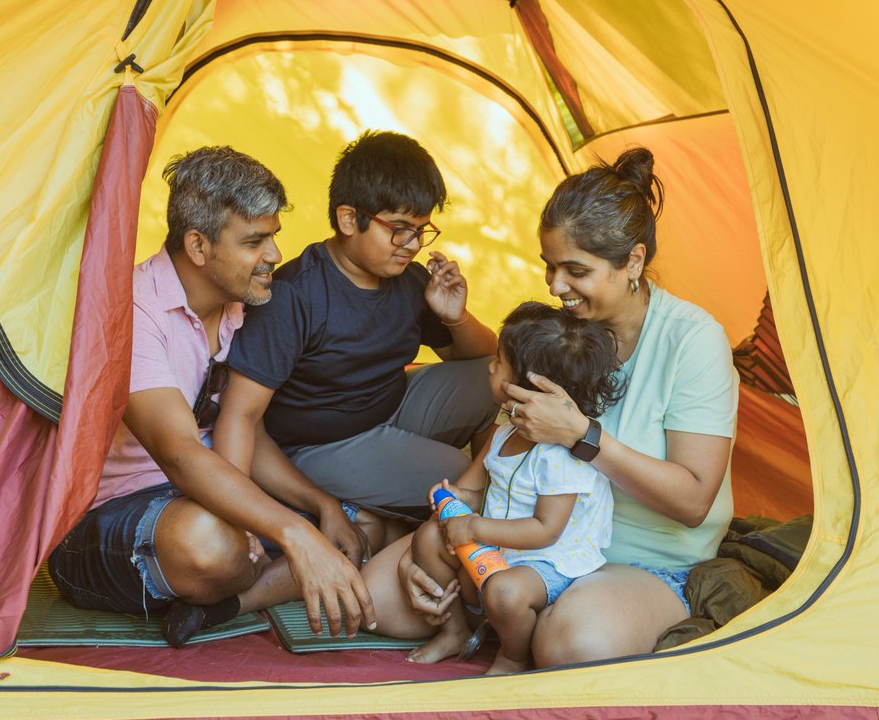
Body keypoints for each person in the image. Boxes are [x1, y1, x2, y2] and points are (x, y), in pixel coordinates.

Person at [362, 147, 738, 666]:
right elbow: (501, 453)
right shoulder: (561, 334)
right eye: (550, 266)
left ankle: (527, 620)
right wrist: (438, 543)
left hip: (639, 559)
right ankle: (504, 612)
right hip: (521, 542)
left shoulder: (693, 341)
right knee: (374, 604)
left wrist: (581, 435)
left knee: (573, 645)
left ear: (633, 261)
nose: (556, 286)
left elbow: (694, 501)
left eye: (575, 271)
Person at [47, 146, 378, 648]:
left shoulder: (236, 307)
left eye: (273, 238)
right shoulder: (132, 311)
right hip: (113, 521)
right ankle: (248, 575)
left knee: (362, 529)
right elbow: (181, 454)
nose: (274, 256)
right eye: (254, 242)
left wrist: (321, 507)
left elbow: (247, 429)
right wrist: (293, 533)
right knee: (212, 544)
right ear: (198, 247)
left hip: (204, 496)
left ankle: (225, 603)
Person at [216, 130, 500, 520]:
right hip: (320, 448)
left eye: (421, 230)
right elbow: (240, 414)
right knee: (464, 481)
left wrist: (456, 318)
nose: (413, 244)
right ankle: (470, 520)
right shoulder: (294, 295)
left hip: (392, 407)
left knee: (498, 378)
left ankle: (456, 500)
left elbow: (489, 356)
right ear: (349, 219)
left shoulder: (411, 281)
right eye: (399, 228)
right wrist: (237, 516)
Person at [405, 301, 624, 674]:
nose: (490, 366)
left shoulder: (561, 456)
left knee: (505, 592)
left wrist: (472, 527)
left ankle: (513, 656)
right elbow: (474, 489)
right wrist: (455, 499)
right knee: (426, 538)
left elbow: (545, 530)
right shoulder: (506, 430)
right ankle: (454, 630)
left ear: (529, 386)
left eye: (499, 363)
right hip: (502, 545)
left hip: (548, 560)